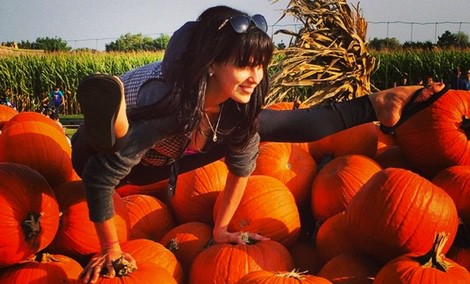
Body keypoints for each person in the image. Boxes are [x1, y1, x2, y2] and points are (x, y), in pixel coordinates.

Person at [71, 5, 448, 283]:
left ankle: (378, 102)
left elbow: (241, 168)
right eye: (244, 65)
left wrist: (221, 228)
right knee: (114, 148)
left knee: (277, 124)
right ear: (212, 65)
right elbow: (99, 179)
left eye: (261, 65)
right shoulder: (172, 104)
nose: (255, 77)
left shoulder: (236, 107)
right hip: (97, 153)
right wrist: (111, 249)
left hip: (165, 155)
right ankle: (114, 124)